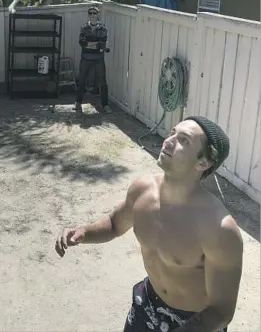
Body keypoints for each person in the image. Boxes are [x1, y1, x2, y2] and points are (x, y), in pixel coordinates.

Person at [55, 117, 243, 332]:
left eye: (184, 140)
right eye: (172, 132)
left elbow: (221, 310)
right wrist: (84, 232)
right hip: (147, 305)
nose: (169, 140)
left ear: (203, 163)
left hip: (196, 322)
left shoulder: (218, 228)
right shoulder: (142, 190)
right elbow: (115, 224)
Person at [75, 6, 111, 114]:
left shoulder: (103, 28)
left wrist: (90, 44)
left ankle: (105, 105)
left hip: (98, 59)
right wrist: (96, 44)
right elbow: (82, 43)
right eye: (90, 13)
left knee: (103, 82)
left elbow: (102, 44)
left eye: (94, 13)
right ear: (88, 15)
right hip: (85, 58)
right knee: (81, 80)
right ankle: (78, 102)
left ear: (98, 14)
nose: (92, 15)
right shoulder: (84, 27)